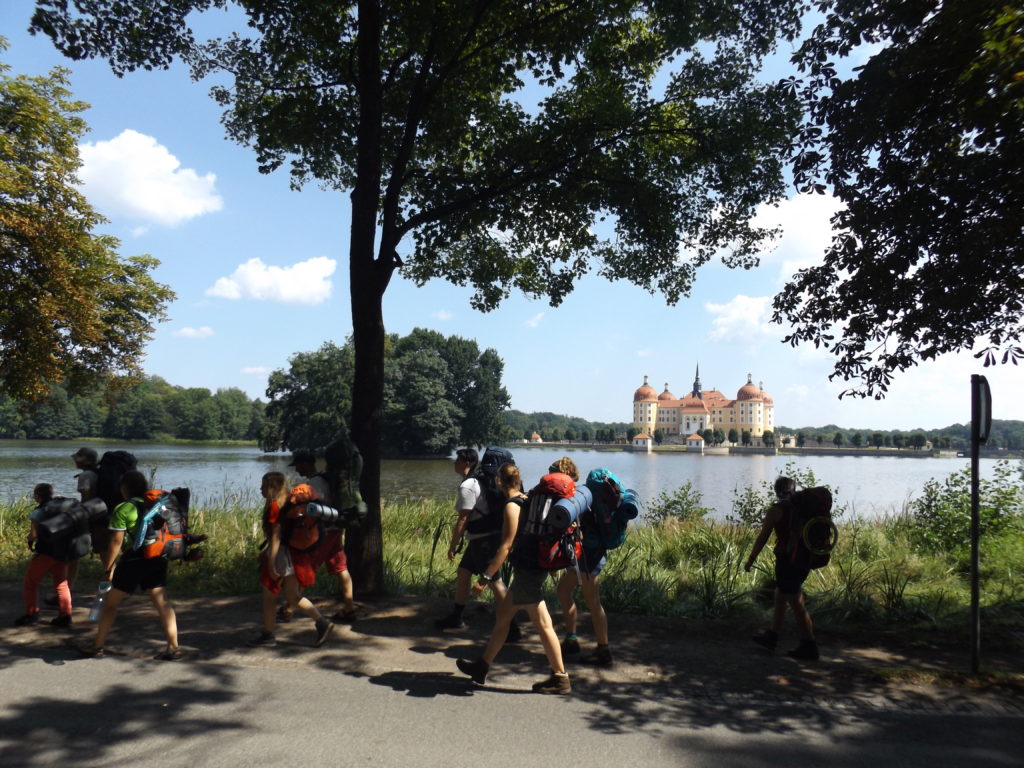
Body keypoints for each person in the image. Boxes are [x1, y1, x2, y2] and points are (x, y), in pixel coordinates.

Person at [456, 462, 571, 694]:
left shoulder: (512, 506)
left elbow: (506, 546)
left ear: (499, 481)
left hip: (528, 571)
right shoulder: (526, 498)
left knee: (543, 624)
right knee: (503, 617)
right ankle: (482, 666)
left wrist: (485, 577)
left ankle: (560, 677)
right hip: (531, 568)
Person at [78, 470, 182, 659]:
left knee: (110, 604)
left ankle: (97, 646)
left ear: (124, 488)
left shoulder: (124, 508)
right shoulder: (157, 505)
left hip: (135, 560)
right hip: (158, 557)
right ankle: (173, 647)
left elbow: (116, 542)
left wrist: (108, 568)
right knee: (162, 602)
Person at [435, 448, 520, 641]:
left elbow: (463, 519)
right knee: (464, 572)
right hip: (487, 538)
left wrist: (452, 545)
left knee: (495, 583)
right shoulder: (490, 482)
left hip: (482, 541)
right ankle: (457, 617)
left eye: (457, 459)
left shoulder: (470, 484)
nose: (454, 462)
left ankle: (512, 628)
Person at [248, 476, 336, 648]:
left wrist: (271, 562)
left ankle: (268, 635)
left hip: (281, 555)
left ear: (272, 487)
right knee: (292, 596)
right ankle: (322, 623)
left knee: (269, 596)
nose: (260, 489)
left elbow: (276, 537)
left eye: (263, 486)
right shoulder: (289, 502)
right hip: (294, 555)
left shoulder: (275, 506)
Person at [744, 476, 819, 660]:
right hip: (804, 560)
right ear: (793, 490)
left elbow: (762, 538)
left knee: (796, 602)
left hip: (787, 561)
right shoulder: (804, 507)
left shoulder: (776, 510)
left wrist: (751, 559)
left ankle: (809, 645)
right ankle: (772, 636)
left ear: (776, 492)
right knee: (780, 595)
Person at [556, 468, 618, 667]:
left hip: (588, 557)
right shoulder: (607, 499)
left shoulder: (589, 499)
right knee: (566, 590)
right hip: (592, 555)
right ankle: (573, 639)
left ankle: (602, 649)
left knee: (592, 602)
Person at [289, 449, 356, 624]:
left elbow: (316, 509)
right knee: (341, 568)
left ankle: (288, 607)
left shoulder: (315, 483)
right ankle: (349, 609)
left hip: (325, 532)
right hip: (335, 529)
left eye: (298, 466)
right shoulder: (324, 478)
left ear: (305, 464)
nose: (297, 470)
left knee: (307, 567)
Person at [15, 483, 74, 628]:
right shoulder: (61, 507)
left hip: (46, 553)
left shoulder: (38, 512)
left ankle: (31, 613)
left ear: (37, 496)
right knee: (61, 584)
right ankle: (65, 616)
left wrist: (29, 541)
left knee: (30, 582)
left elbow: (33, 534)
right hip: (62, 552)